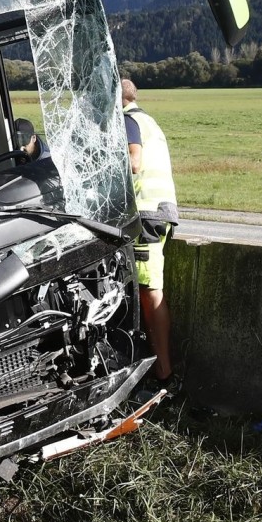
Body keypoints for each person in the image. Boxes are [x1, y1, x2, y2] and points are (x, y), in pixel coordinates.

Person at [121, 78, 181, 398]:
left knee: (149, 292)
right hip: (159, 213)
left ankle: (163, 377)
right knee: (146, 290)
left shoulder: (127, 121)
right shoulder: (149, 121)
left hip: (145, 216)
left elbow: (133, 161)